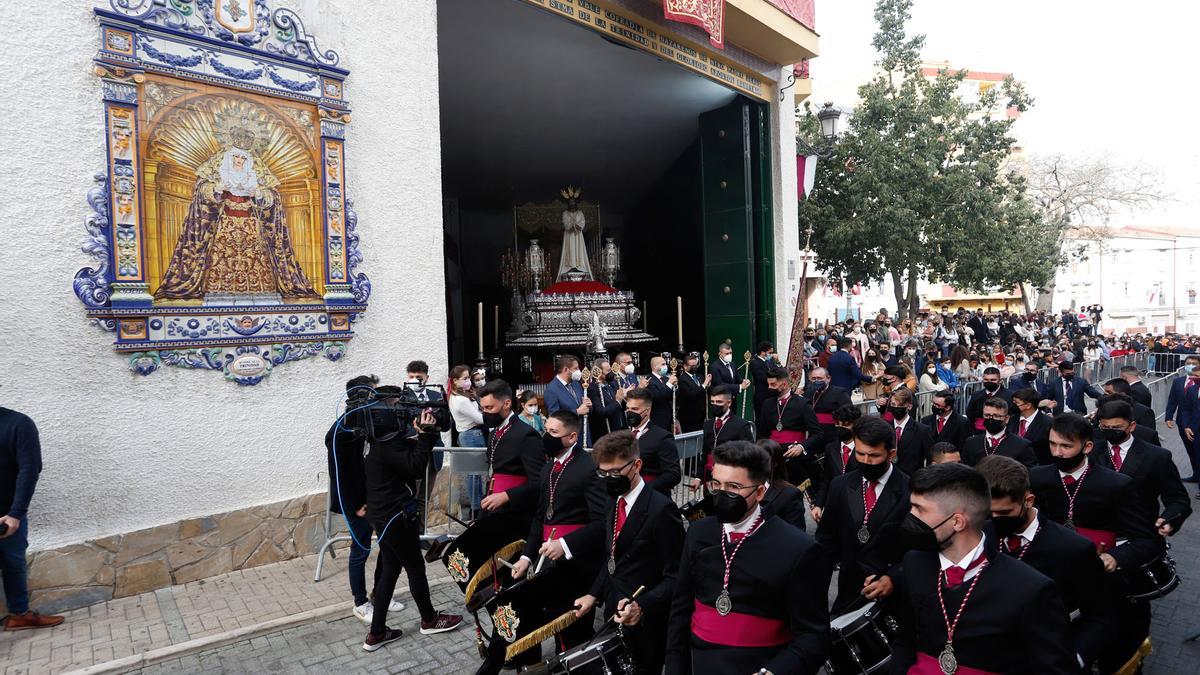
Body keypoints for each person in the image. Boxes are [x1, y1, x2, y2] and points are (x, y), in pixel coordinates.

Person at [887, 463, 1078, 673]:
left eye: (920, 510)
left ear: (957, 522)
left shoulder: (1031, 589)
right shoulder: (915, 563)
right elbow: (905, 642)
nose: (911, 516)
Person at [665, 441, 830, 675]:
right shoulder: (699, 532)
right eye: (716, 485)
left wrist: (774, 672)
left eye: (733, 487)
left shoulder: (798, 548)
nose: (722, 494)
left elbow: (813, 636)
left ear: (760, 491)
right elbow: (680, 611)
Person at [1030, 413, 1162, 673]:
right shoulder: (1037, 477)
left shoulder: (1118, 484)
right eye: (1053, 444)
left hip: (1103, 583)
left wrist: (1116, 557)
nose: (1058, 452)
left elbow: (1146, 539)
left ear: (1087, 447)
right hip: (1054, 582)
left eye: (1066, 446)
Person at [976, 455, 1116, 670]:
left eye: (1004, 512)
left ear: (1028, 500)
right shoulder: (979, 536)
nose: (994, 519)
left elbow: (1100, 615)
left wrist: (1075, 659)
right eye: (988, 512)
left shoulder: (1073, 548)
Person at [574, 431, 686, 674]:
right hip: (614, 612)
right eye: (602, 473)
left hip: (646, 621)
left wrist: (642, 606)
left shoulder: (661, 510)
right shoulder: (613, 500)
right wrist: (594, 594)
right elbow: (614, 557)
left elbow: (677, 575)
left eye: (614, 473)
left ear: (637, 465)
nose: (607, 479)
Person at [360, 392, 461, 652]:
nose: (404, 413)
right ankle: (429, 619)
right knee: (415, 568)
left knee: (390, 572)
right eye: (398, 408)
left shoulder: (377, 440)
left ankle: (376, 633)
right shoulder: (388, 444)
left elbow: (402, 457)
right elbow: (416, 467)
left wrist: (417, 436)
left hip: (384, 515)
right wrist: (426, 436)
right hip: (396, 517)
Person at [509, 412, 607, 653]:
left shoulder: (588, 468)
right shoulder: (548, 468)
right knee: (555, 621)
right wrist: (526, 556)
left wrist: (564, 544)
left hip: (578, 563)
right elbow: (541, 517)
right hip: (549, 560)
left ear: (572, 436)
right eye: (546, 430)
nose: (546, 437)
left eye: (554, 433)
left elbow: (601, 522)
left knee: (576, 631)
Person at [326, 375, 407, 624]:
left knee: (389, 548)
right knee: (360, 552)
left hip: (376, 499)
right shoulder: (341, 432)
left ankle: (379, 594)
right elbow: (342, 474)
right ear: (359, 397)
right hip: (357, 504)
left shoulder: (368, 424)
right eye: (372, 395)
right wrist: (354, 506)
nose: (377, 400)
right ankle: (360, 603)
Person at [814, 416, 911, 615]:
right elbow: (826, 540)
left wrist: (893, 577)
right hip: (849, 593)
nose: (866, 462)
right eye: (860, 454)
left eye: (874, 456)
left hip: (894, 596)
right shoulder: (841, 485)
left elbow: (918, 551)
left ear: (891, 454)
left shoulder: (910, 490)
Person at [0, 407, 62, 631]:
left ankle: (19, 615)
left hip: (6, 517)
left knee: (14, 564)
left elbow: (29, 468)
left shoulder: (18, 424)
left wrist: (16, 513)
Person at [1092, 400, 1191, 537]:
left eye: (1116, 428)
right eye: (1105, 428)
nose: (1111, 432)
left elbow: (1178, 499)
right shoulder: (1091, 452)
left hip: (1140, 533)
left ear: (1132, 426)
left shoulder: (1157, 456)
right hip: (1098, 532)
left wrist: (1168, 520)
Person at [477, 381, 545, 523]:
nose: (485, 413)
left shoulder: (527, 435)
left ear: (507, 404)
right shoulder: (494, 433)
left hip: (515, 510)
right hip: (491, 505)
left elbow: (539, 481)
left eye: (489, 407)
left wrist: (506, 495)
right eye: (483, 408)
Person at [756, 366, 825, 485]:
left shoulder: (802, 404)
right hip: (772, 459)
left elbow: (818, 434)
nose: (769, 388)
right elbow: (762, 433)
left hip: (795, 459)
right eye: (768, 384)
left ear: (784, 384)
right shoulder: (767, 404)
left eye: (773, 385)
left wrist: (801, 447)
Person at [691, 385, 754, 490]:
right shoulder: (707, 424)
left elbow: (749, 456)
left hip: (730, 479)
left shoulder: (742, 425)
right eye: (713, 402)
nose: (715, 405)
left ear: (729, 403)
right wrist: (698, 477)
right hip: (709, 477)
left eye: (719, 402)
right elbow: (705, 454)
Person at [623, 388, 681, 495]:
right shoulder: (623, 435)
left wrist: (644, 488)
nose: (630, 413)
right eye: (628, 409)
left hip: (651, 496)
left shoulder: (662, 437)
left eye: (635, 409)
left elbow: (673, 474)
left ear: (648, 410)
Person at [448, 365, 486, 516]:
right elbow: (479, 418)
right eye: (464, 378)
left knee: (474, 474)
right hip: (472, 434)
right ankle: (475, 507)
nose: (468, 381)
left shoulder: (460, 395)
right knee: (475, 474)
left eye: (468, 377)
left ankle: (476, 506)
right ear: (455, 381)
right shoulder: (460, 399)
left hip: (468, 434)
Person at [813, 404, 861, 517]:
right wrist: (818, 505)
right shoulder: (831, 448)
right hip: (836, 504)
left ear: (856, 425)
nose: (840, 427)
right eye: (837, 424)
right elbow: (826, 479)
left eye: (846, 424)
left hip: (858, 504)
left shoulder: (864, 449)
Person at [961, 397, 1036, 467]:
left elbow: (1028, 474)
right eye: (987, 415)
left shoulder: (1022, 445)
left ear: (1006, 419)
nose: (991, 419)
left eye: (996, 416)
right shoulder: (971, 443)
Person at [757, 439, 809, 531]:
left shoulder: (790, 493)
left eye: (763, 459)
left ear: (775, 463)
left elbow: (797, 533)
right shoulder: (744, 487)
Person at [1164, 358, 1200, 483]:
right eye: (1188, 364)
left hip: (1197, 424)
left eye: (1194, 364)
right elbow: (1172, 400)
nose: (1190, 366)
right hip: (1183, 422)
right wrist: (1169, 416)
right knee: (1191, 451)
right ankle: (1196, 474)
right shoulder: (1178, 381)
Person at [543, 355, 592, 442]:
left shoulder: (576, 384)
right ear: (566, 369)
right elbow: (555, 416)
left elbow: (584, 408)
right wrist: (577, 412)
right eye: (575, 368)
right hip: (568, 439)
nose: (579, 371)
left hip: (584, 434)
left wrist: (589, 405)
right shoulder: (551, 390)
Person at [888, 388, 933, 475]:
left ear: (909, 406)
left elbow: (930, 459)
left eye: (900, 405)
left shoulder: (922, 430)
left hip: (912, 479)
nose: (896, 408)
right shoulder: (885, 427)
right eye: (893, 404)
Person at [801, 367, 851, 437]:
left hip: (833, 434)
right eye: (813, 378)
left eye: (819, 378)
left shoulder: (839, 393)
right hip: (814, 435)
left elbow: (848, 413)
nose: (816, 381)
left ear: (828, 378)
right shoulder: (808, 393)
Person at [1009, 387, 1052, 464]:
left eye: (1016, 403)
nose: (1013, 405)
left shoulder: (1047, 423)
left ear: (1028, 405)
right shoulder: (1012, 419)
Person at [586, 356, 624, 438]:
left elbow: (620, 404)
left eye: (610, 370)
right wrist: (617, 401)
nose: (611, 373)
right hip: (605, 432)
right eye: (608, 371)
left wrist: (625, 395)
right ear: (598, 372)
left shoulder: (612, 384)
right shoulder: (593, 389)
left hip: (617, 429)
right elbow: (601, 412)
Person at [965, 366, 1012, 432]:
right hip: (979, 432)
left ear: (1000, 380)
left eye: (993, 380)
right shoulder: (976, 395)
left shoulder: (1010, 395)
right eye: (986, 380)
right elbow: (970, 414)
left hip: (1003, 431)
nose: (989, 382)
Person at [675, 353, 710, 433]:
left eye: (696, 365)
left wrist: (708, 384)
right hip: (689, 417)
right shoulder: (682, 379)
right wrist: (704, 384)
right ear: (685, 366)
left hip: (701, 415)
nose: (695, 367)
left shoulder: (699, 376)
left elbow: (703, 391)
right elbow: (691, 394)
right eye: (692, 365)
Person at [645, 356, 679, 432]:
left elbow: (674, 396)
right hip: (657, 418)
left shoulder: (666, 379)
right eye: (663, 364)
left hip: (669, 417)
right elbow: (658, 397)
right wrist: (670, 383)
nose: (665, 366)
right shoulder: (649, 380)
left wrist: (675, 386)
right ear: (655, 366)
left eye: (665, 364)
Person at [748, 342, 777, 416]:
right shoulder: (755, 362)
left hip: (772, 395)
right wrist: (775, 378)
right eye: (770, 352)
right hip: (762, 396)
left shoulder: (771, 361)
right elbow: (762, 377)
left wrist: (777, 361)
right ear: (763, 352)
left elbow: (778, 371)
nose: (771, 354)